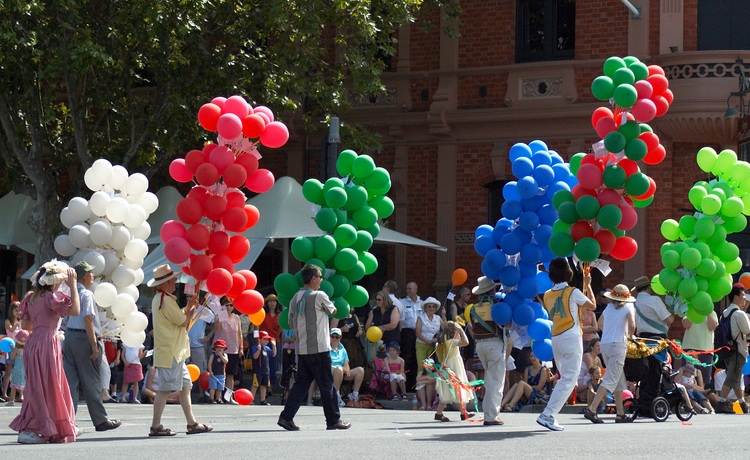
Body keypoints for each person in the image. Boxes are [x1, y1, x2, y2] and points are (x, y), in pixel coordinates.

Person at [10, 261, 80, 444]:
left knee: (36, 386)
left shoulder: (31, 298)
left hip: (33, 343)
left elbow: (26, 326)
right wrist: (73, 286)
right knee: (51, 385)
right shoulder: (51, 297)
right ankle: (45, 428)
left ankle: (38, 427)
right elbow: (76, 310)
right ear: (53, 282)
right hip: (47, 342)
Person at [278, 264, 350, 431]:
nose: (321, 280)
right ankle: (333, 420)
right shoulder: (319, 295)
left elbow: (290, 322)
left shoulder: (295, 297)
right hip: (319, 348)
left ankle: (286, 417)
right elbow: (334, 310)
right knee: (327, 385)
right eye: (320, 277)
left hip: (302, 348)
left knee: (301, 384)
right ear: (313, 279)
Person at [147, 264, 212, 437]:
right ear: (165, 283)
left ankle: (192, 423)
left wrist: (189, 308)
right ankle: (155, 426)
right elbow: (182, 321)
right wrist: (190, 309)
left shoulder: (163, 298)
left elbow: (178, 318)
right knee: (165, 390)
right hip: (172, 352)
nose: (174, 282)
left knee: (185, 388)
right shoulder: (166, 300)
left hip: (175, 351)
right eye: (172, 280)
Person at [62, 260, 122, 432]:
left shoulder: (70, 293)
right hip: (83, 337)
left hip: (71, 336)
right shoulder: (86, 294)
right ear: (84, 276)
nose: (93, 275)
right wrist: (94, 345)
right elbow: (88, 319)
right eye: (90, 272)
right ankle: (100, 419)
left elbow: (67, 318)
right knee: (92, 381)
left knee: (71, 382)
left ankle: (67, 420)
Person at [537, 258, 596, 431]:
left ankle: (550, 414)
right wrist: (588, 284)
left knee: (566, 378)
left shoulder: (547, 294)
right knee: (569, 379)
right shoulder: (573, 291)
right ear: (567, 272)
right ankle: (548, 414)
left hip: (556, 337)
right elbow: (592, 305)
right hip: (571, 336)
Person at [584, 284, 636, 424]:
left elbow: (601, 324)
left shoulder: (608, 308)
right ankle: (592, 409)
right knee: (611, 378)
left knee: (617, 379)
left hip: (605, 344)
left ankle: (620, 413)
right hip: (618, 344)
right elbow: (632, 325)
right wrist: (630, 336)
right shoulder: (628, 307)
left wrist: (609, 332)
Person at [468, 276, 506, 426]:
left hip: (480, 345)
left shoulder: (473, 308)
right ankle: (491, 416)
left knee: (490, 380)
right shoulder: (497, 304)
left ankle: (488, 413)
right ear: (492, 290)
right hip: (495, 344)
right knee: (495, 382)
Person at [715, 284, 750, 414]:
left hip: (727, 349)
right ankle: (721, 403)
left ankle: (743, 405)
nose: (744, 298)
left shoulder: (724, 313)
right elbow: (747, 331)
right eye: (742, 295)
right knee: (732, 378)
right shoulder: (739, 314)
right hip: (738, 349)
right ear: (735, 297)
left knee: (734, 376)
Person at [312, 327, 366, 405]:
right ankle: (336, 396)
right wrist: (339, 369)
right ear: (329, 337)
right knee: (338, 369)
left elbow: (346, 365)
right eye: (332, 336)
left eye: (337, 337)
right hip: (329, 372)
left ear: (340, 338)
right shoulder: (325, 348)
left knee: (360, 370)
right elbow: (324, 364)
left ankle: (354, 395)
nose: (334, 339)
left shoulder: (343, 350)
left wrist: (345, 369)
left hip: (341, 372)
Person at [434, 321, 473, 421]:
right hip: (454, 366)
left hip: (447, 366)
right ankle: (462, 413)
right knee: (456, 388)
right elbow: (466, 342)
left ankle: (462, 413)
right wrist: (461, 331)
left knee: (450, 389)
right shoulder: (452, 342)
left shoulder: (444, 342)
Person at [213, 296, 243, 404]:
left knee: (231, 374)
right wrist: (221, 316)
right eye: (227, 305)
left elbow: (239, 333)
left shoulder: (237, 318)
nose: (229, 307)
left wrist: (241, 347)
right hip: (221, 349)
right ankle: (218, 397)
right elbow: (216, 328)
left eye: (231, 305)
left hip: (233, 348)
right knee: (219, 374)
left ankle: (229, 397)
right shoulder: (220, 316)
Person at [681, 309, 718, 389]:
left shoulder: (712, 312)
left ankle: (702, 399)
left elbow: (712, 327)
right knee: (686, 377)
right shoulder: (690, 311)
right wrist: (694, 312)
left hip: (706, 350)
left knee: (703, 380)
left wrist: (707, 312)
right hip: (689, 348)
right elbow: (685, 325)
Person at [400, 281, 422, 389]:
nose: (408, 290)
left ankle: (414, 383)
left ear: (416, 290)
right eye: (407, 288)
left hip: (419, 333)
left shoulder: (422, 303)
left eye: (410, 288)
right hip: (406, 332)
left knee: (416, 358)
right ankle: (405, 384)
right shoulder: (402, 302)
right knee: (406, 357)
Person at [258, 293, 282, 389]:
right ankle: (264, 385)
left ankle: (270, 386)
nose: (272, 304)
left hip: (274, 342)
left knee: (273, 364)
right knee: (263, 364)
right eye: (270, 302)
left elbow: (280, 329)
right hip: (264, 342)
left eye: (274, 301)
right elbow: (258, 327)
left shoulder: (279, 316)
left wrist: (274, 337)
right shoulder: (264, 314)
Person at [415, 297, 442, 375]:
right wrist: (428, 341)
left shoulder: (438, 318)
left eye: (433, 306)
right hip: (421, 345)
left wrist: (443, 315)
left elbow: (446, 328)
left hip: (434, 346)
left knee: (431, 367)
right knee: (421, 366)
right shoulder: (420, 317)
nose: (431, 308)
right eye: (429, 306)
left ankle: (430, 385)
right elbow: (418, 333)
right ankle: (420, 386)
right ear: (425, 308)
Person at [2, 301, 21, 401]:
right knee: (8, 371)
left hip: (19, 347)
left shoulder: (21, 321)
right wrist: (17, 325)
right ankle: (5, 393)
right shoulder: (8, 321)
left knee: (20, 369)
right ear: (11, 311)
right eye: (16, 310)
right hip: (10, 348)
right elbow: (10, 330)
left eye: (19, 310)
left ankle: (20, 394)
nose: (18, 312)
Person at [251, 330, 275, 405]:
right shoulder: (256, 347)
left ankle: (263, 400)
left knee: (264, 385)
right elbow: (255, 357)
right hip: (258, 369)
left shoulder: (266, 348)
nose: (267, 341)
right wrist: (258, 350)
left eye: (267, 339)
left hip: (265, 370)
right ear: (259, 339)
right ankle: (251, 399)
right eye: (264, 339)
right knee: (255, 385)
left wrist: (274, 345)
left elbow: (273, 354)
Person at [576, 338, 603, 404]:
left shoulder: (597, 358)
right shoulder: (587, 356)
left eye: (600, 346)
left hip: (587, 379)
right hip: (579, 381)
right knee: (594, 377)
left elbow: (602, 371)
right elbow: (592, 371)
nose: (600, 348)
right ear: (592, 347)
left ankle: (582, 395)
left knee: (602, 378)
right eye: (597, 346)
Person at [6, 329, 28, 406]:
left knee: (14, 385)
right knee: (25, 385)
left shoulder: (16, 350)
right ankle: (26, 400)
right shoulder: (27, 350)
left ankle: (11, 400)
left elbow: (11, 358)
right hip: (24, 370)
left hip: (16, 369)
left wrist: (12, 350)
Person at [208, 339, 228, 404]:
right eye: (218, 347)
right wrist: (210, 371)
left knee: (220, 388)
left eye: (221, 348)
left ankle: (218, 398)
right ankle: (211, 398)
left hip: (221, 374)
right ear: (215, 348)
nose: (219, 349)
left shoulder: (225, 355)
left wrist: (221, 355)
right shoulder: (213, 355)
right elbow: (210, 364)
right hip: (214, 374)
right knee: (213, 387)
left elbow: (226, 361)